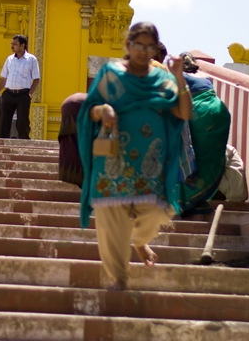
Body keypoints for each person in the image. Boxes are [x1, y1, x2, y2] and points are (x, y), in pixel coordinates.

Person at [77, 22, 192, 290]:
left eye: (149, 46)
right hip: (114, 159)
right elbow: (89, 109)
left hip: (150, 163)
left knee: (156, 213)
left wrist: (179, 76)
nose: (143, 51)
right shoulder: (111, 75)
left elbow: (183, 114)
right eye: (138, 44)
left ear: (155, 48)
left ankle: (140, 240)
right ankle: (118, 278)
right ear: (128, 45)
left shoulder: (163, 79)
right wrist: (103, 110)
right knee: (110, 220)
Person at [175, 52, 232, 217]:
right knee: (210, 157)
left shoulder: (177, 74)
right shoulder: (205, 75)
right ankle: (199, 199)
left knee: (191, 155)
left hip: (198, 112)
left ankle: (184, 199)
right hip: (219, 111)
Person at [0, 34, 40, 139]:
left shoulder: (31, 60)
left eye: (15, 44)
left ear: (22, 45)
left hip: (23, 95)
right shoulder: (9, 59)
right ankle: (2, 146)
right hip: (8, 94)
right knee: (4, 122)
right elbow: (3, 79)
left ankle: (24, 145)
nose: (12, 46)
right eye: (12, 44)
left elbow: (36, 79)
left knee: (22, 123)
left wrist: (29, 95)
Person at [58, 93, 87, 187]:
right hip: (78, 108)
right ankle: (80, 178)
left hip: (67, 105)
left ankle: (71, 175)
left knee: (69, 142)